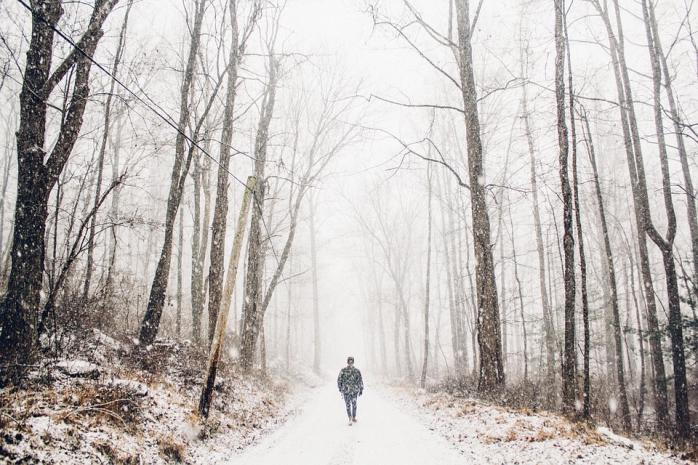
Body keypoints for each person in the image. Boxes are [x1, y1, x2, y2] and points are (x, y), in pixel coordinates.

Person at [337, 356, 363, 425]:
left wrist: (361, 389)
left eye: (352, 361)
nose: (350, 363)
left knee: (354, 405)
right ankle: (350, 418)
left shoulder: (357, 371)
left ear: (353, 362)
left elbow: (360, 380)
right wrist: (340, 388)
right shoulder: (343, 370)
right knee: (348, 405)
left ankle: (354, 417)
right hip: (346, 391)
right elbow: (339, 380)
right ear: (347, 362)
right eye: (349, 361)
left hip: (354, 391)